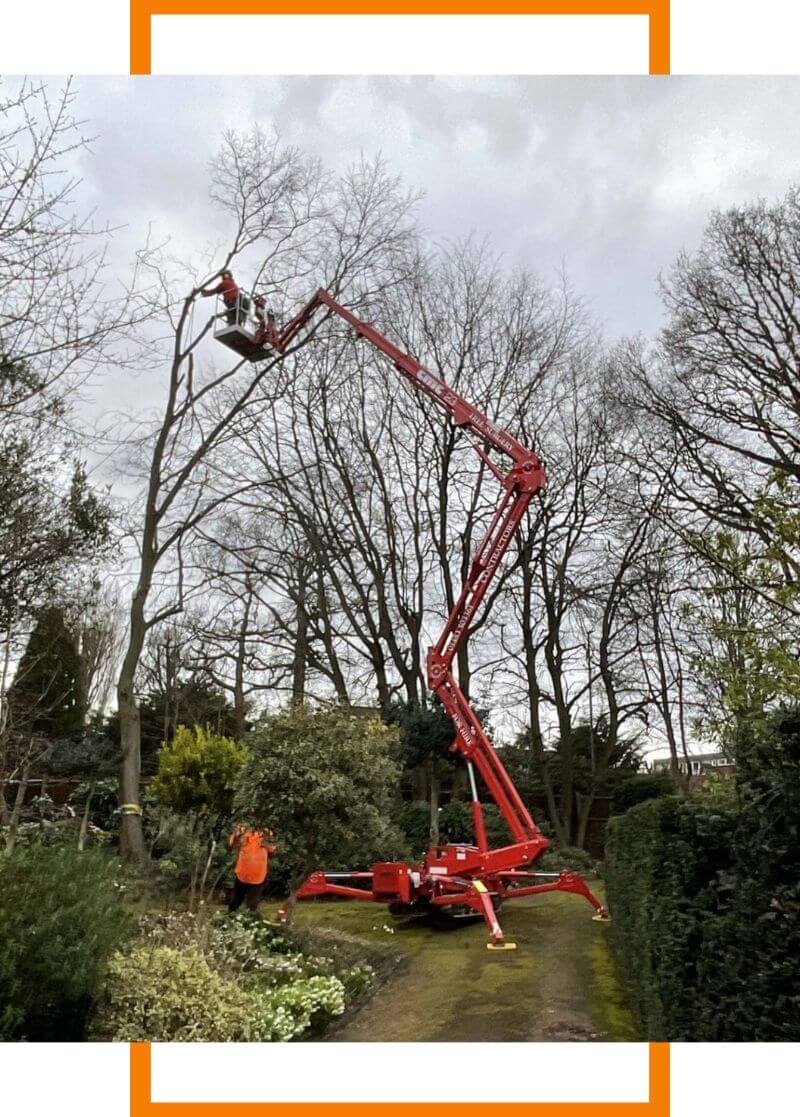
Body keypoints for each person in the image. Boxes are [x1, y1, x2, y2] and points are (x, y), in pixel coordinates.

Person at [227, 823, 276, 913]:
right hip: (242, 872)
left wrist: (267, 845)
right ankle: (230, 918)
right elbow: (232, 844)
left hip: (258, 874)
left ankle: (249, 922)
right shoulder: (242, 829)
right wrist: (238, 836)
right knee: (235, 901)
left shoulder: (266, 833)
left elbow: (272, 851)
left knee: (252, 904)